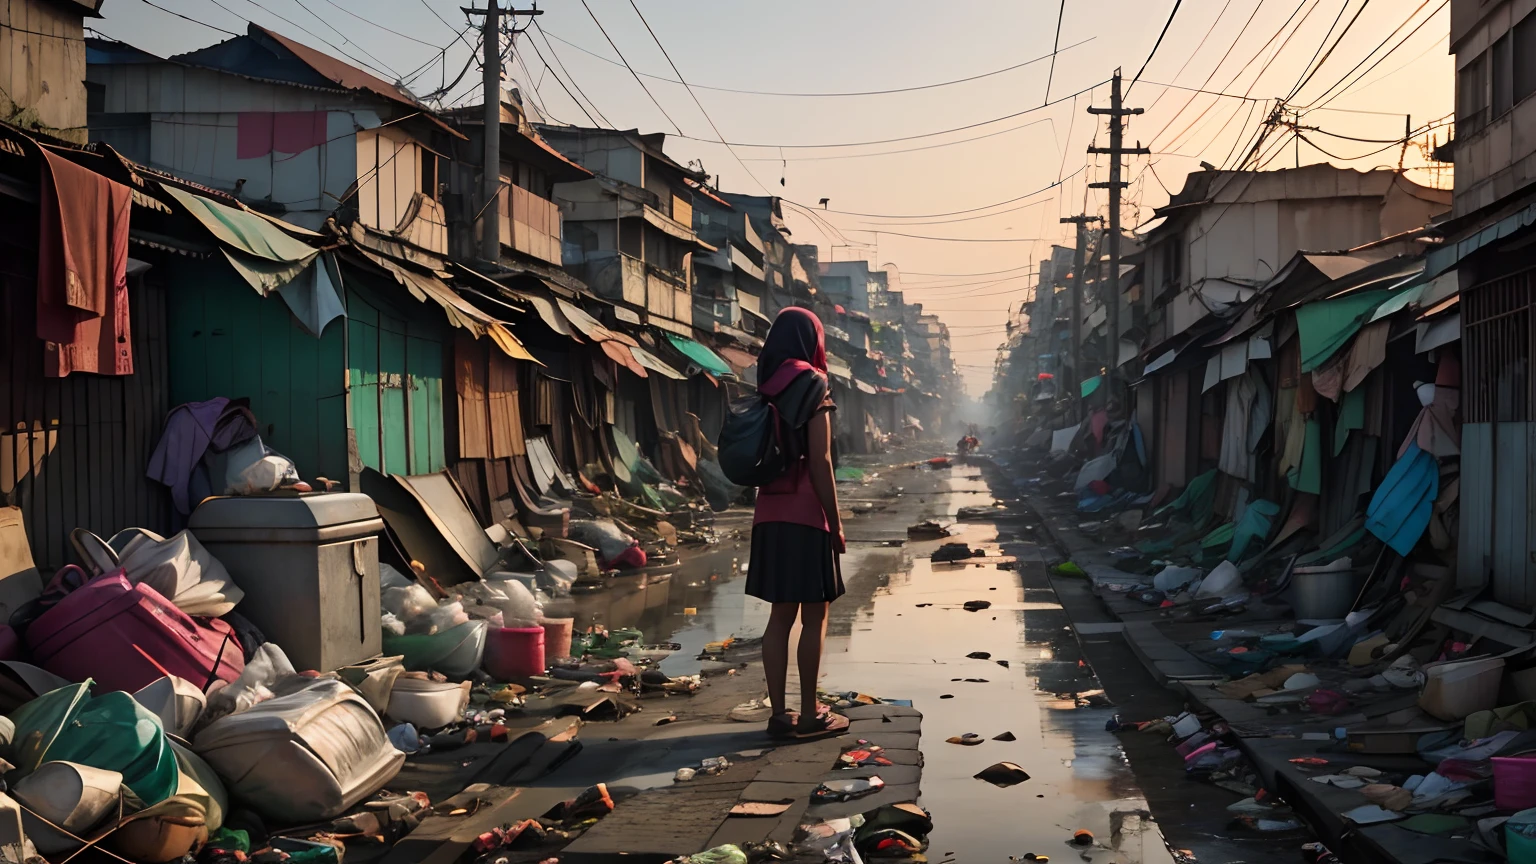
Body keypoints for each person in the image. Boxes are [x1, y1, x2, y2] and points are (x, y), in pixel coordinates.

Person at [746, 307, 849, 739]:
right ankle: (809, 714)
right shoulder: (813, 383)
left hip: (768, 513)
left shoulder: (765, 384)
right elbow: (821, 461)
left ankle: (778, 714)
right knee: (814, 618)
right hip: (807, 515)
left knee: (779, 618)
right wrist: (836, 522)